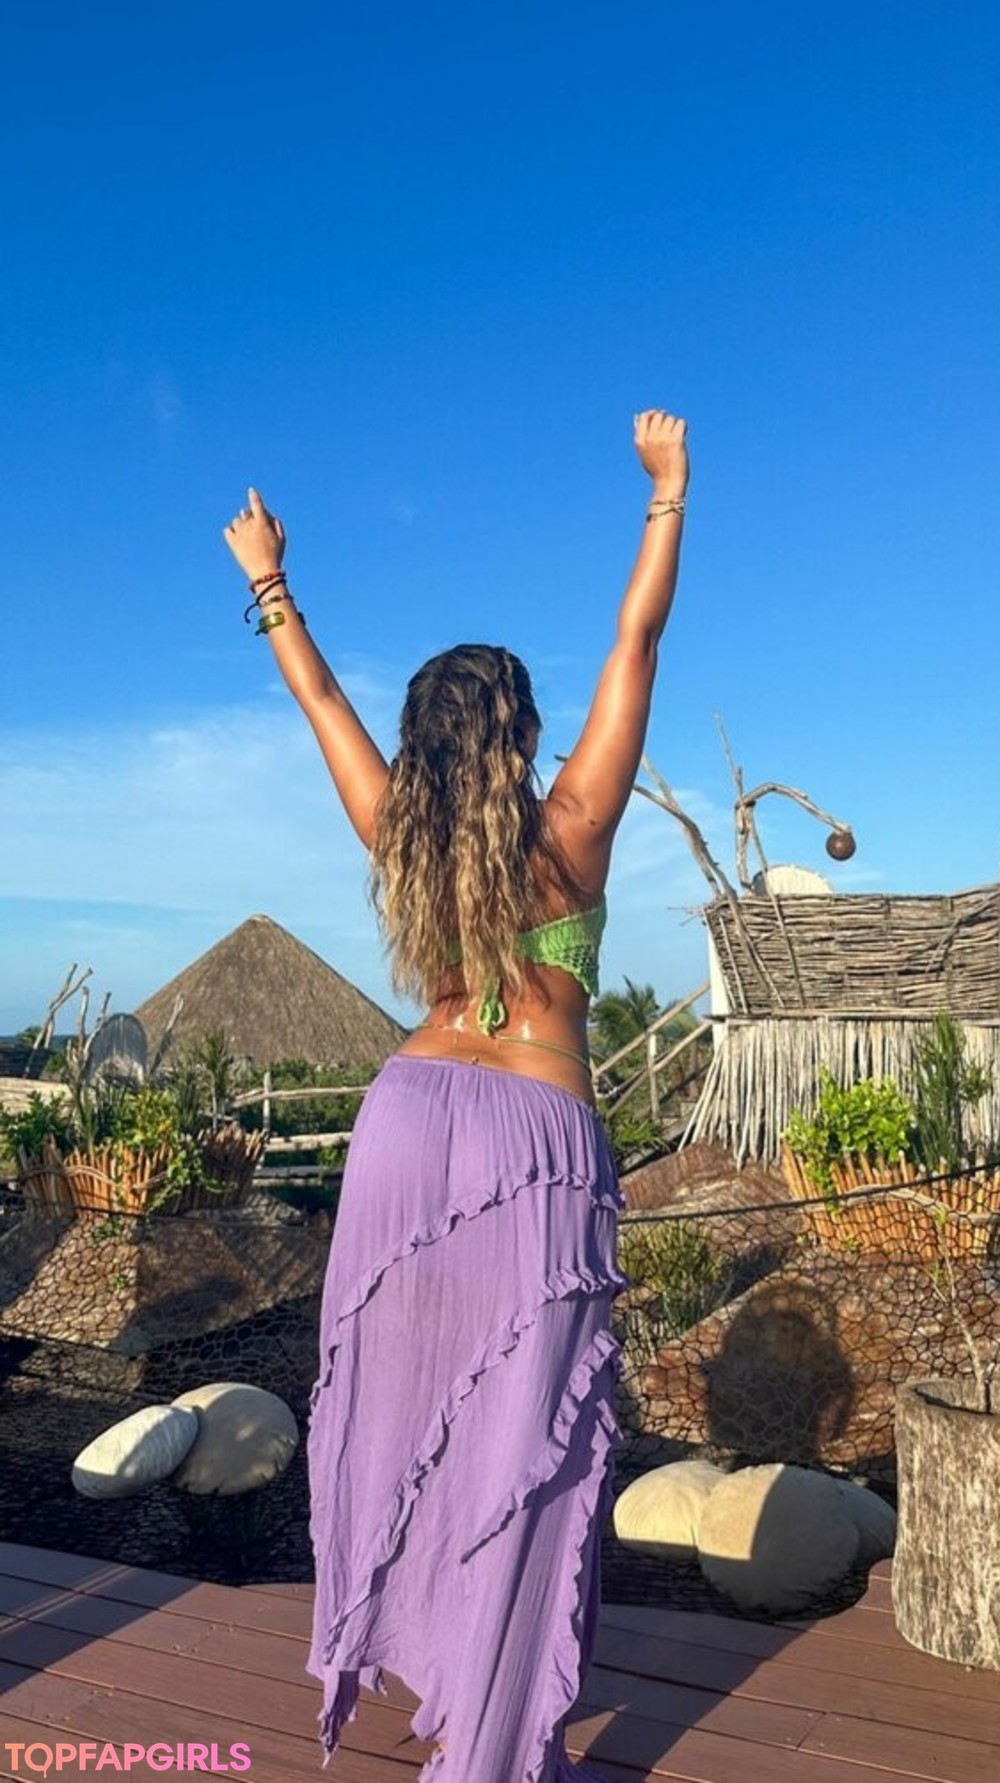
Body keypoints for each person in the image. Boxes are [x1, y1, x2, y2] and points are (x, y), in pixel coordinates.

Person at [222, 409, 688, 1780]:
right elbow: (636, 646)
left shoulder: (401, 839)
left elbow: (320, 702)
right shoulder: (574, 831)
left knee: (415, 1412)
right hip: (532, 1142)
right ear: (525, 731)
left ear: (422, 747)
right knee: (523, 1446)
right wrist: (667, 493)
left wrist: (269, 578)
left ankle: (435, 1667)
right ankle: (490, 1743)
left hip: (407, 1127)